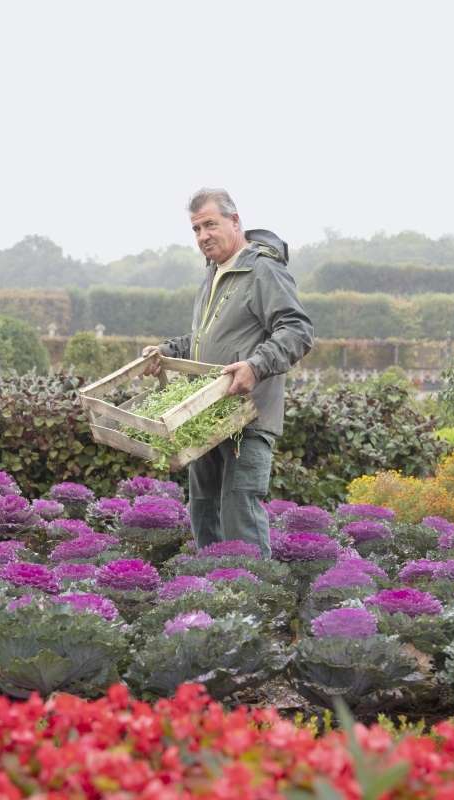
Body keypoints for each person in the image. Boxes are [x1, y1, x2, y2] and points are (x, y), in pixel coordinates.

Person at [142, 188, 313, 557]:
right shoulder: (214, 274)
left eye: (210, 224)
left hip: (246, 417)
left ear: (235, 222)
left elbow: (297, 330)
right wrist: (168, 351)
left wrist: (256, 365)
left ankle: (254, 600)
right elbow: (207, 338)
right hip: (205, 414)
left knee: (240, 513)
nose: (203, 236)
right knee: (203, 509)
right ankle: (216, 596)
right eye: (196, 229)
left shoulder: (262, 269)